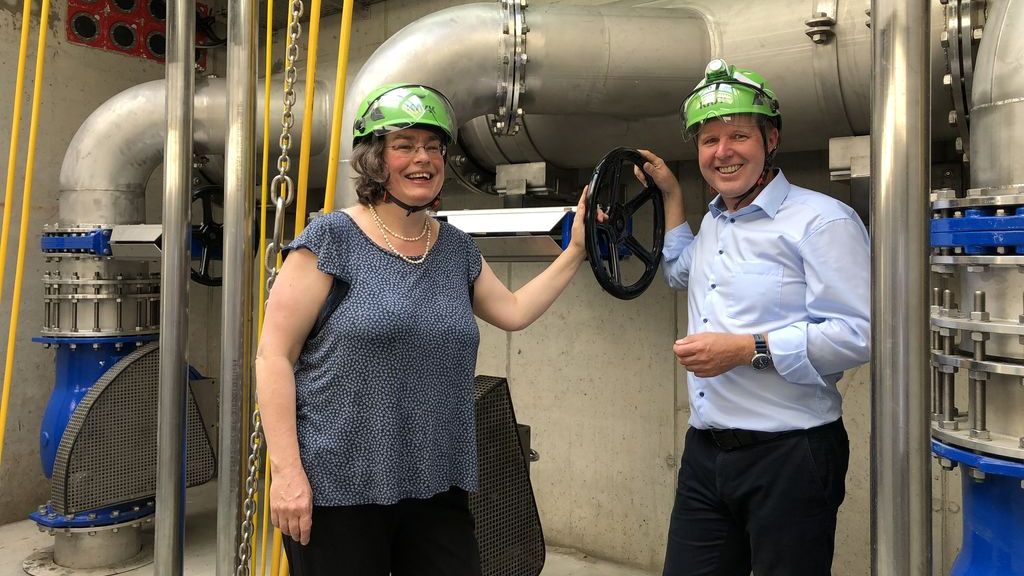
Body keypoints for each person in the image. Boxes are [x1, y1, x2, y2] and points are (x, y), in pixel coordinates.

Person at [254, 83, 592, 575]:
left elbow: (515, 310)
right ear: (374, 160)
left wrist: (576, 249)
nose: (424, 158)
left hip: (436, 485)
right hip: (338, 488)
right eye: (405, 145)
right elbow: (274, 356)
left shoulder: (455, 248)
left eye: (433, 147)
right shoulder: (331, 239)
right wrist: (286, 473)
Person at [637, 59, 870, 575]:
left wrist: (748, 349)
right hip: (705, 456)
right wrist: (673, 196)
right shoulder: (717, 221)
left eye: (738, 135)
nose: (722, 152)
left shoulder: (822, 221)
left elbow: (860, 334)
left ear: (771, 139)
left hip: (790, 457)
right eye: (708, 139)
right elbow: (680, 270)